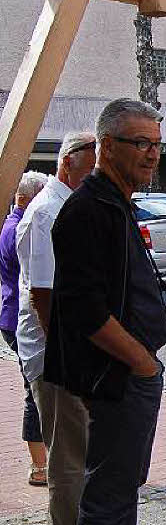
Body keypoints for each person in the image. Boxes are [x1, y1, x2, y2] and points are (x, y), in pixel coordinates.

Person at [45, 99, 166, 525]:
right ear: (105, 147)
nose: (151, 154)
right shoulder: (87, 211)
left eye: (155, 143)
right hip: (117, 376)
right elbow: (84, 311)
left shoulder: (119, 205)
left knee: (125, 487)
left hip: (133, 374)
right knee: (106, 496)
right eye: (139, 143)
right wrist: (141, 360)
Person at [17, 134, 96, 525]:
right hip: (53, 352)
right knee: (69, 448)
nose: (93, 182)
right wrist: (67, 353)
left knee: (67, 441)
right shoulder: (49, 212)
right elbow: (43, 295)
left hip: (56, 348)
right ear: (67, 165)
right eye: (89, 173)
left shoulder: (61, 206)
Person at [1, 172, 48, 487]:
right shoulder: (22, 229)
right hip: (21, 320)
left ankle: (43, 462)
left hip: (11, 317)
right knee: (35, 391)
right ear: (27, 198)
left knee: (37, 389)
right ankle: (38, 466)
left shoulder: (10, 224)